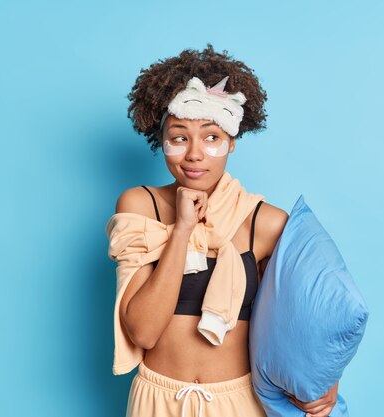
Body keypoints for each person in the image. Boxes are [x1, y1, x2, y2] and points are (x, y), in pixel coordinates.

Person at [108, 44, 339, 417]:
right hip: (158, 399)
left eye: (212, 137)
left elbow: (306, 317)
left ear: (232, 140)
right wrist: (182, 230)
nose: (195, 154)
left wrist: (327, 381)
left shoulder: (266, 222)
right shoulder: (141, 206)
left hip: (239, 402)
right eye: (180, 137)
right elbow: (143, 332)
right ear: (162, 141)